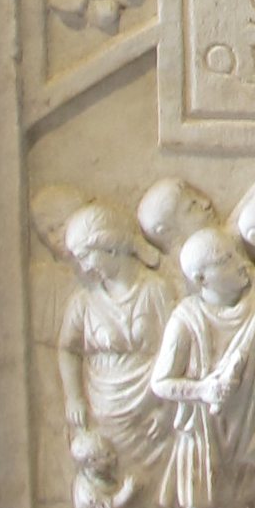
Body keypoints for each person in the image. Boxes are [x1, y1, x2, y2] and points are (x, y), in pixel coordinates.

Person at [150, 229, 255, 508]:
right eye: (226, 261)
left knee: (244, 499)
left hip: (245, 418)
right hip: (200, 429)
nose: (241, 264)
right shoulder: (186, 319)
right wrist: (202, 389)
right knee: (197, 506)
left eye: (237, 255)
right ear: (201, 278)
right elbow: (161, 382)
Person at [57, 203, 173, 492]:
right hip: (103, 411)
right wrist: (74, 397)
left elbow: (179, 350)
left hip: (149, 413)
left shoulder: (156, 290)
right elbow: (68, 349)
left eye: (85, 255)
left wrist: (168, 409)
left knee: (153, 493)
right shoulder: (83, 302)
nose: (83, 266)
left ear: (108, 245)